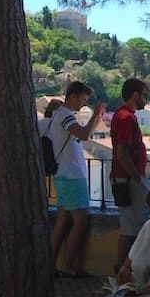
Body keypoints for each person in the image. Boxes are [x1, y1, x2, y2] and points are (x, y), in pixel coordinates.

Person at [48, 82, 106, 278]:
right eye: (82, 99)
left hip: (63, 175)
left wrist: (96, 117)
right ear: (72, 96)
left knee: (62, 221)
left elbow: (84, 135)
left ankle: (50, 263)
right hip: (72, 176)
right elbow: (84, 134)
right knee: (81, 220)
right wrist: (94, 116)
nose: (83, 103)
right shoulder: (65, 115)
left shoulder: (59, 115)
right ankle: (67, 265)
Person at [111, 78, 150, 270]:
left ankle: (124, 269)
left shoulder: (122, 115)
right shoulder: (126, 118)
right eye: (144, 95)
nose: (146, 100)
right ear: (135, 95)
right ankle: (123, 270)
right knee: (131, 228)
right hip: (128, 180)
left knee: (131, 226)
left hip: (125, 178)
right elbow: (122, 152)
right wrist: (137, 178)